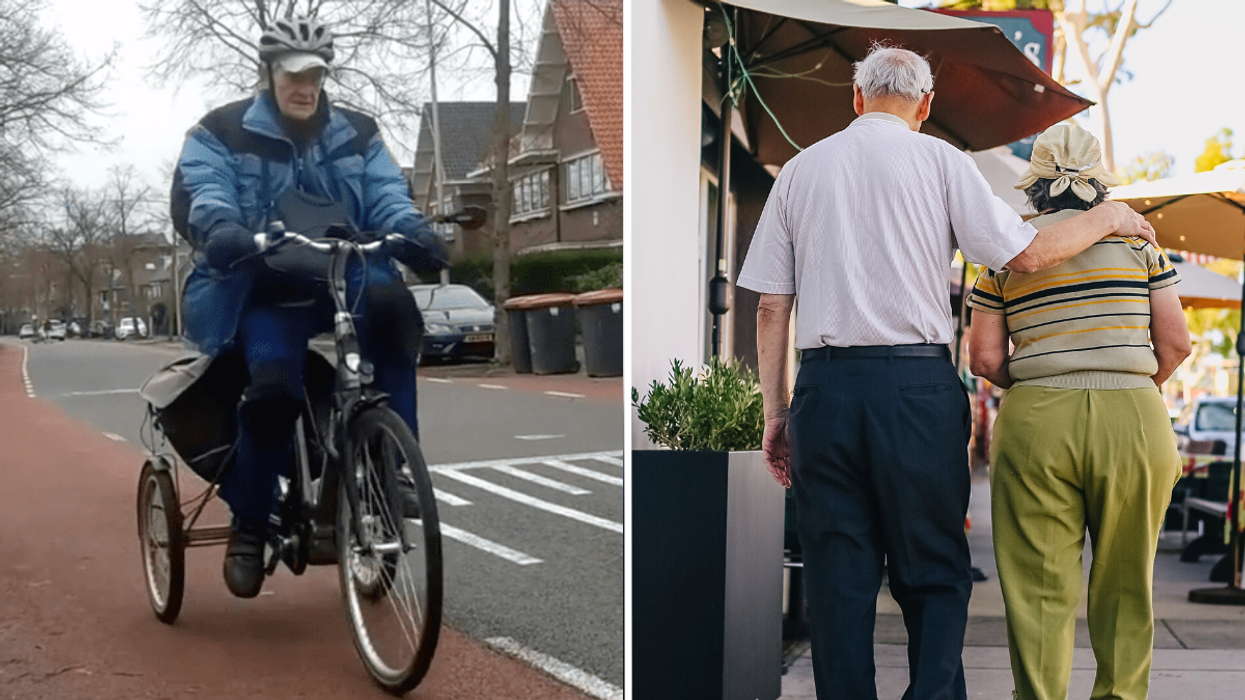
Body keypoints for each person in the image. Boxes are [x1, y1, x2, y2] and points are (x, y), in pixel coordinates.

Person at [736, 45, 1156, 700]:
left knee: (837, 579)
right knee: (932, 570)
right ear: (926, 104)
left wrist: (777, 411)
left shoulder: (798, 170)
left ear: (856, 97)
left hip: (825, 389)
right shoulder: (940, 161)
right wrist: (1106, 215)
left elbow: (768, 306)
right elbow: (1027, 253)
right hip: (915, 390)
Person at [173, 15, 446, 599]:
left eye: (316, 75)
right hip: (267, 287)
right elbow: (206, 188)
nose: (306, 87)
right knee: (273, 388)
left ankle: (388, 462)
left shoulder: (356, 133)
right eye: (294, 74)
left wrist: (415, 233)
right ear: (269, 74)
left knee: (396, 311)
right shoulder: (219, 134)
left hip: (342, 277)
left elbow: (385, 196)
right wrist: (221, 227)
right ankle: (249, 522)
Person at [967, 124, 1189, 700]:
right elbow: (1176, 345)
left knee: (1038, 590)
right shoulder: (1139, 242)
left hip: (1037, 420)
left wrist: (1049, 377)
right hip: (1134, 418)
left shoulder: (1005, 248)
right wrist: (1131, 384)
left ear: (1036, 184)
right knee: (1127, 585)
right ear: (1097, 182)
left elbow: (985, 356)